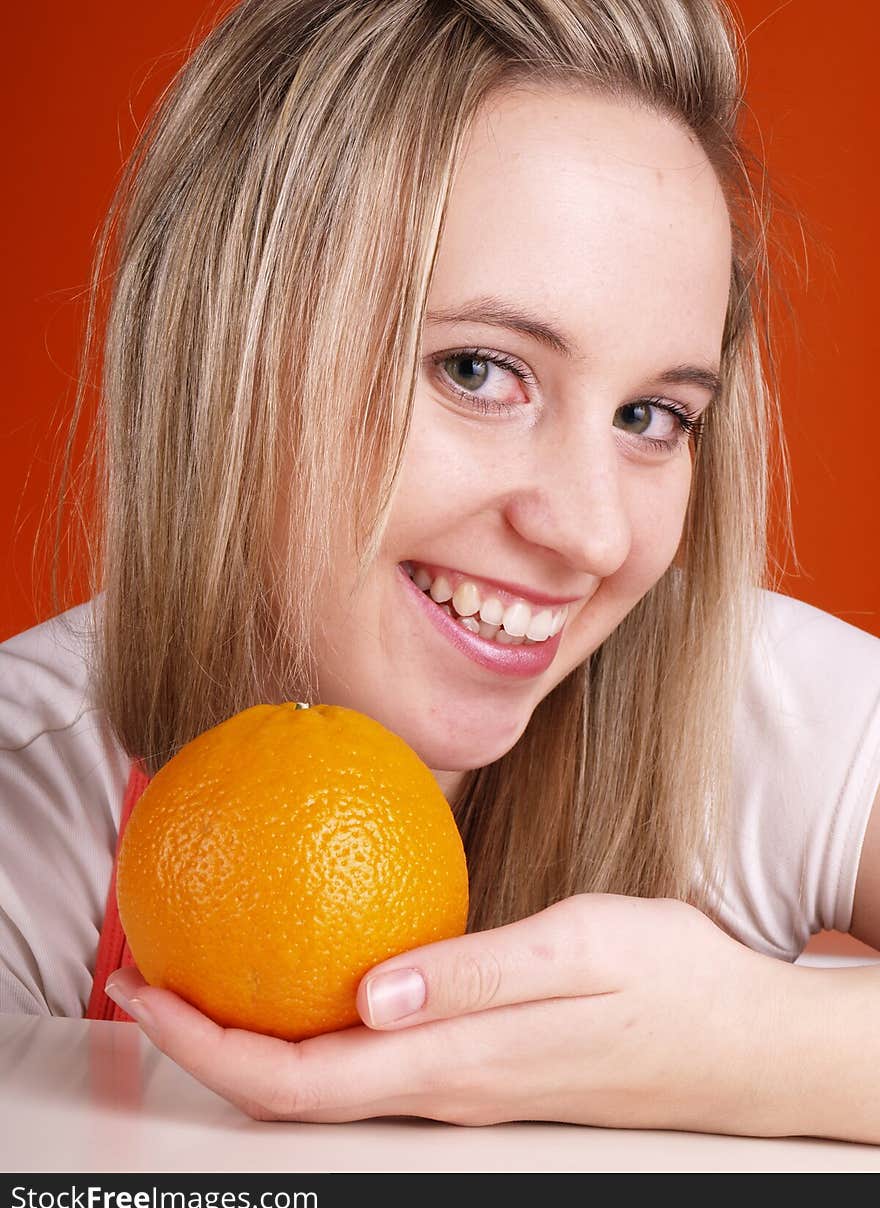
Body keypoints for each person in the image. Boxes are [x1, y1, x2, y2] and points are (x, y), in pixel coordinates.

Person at [2, 0, 880, 1140]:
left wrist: (739, 1045)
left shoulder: (765, 707)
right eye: (477, 369)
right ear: (233, 352)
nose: (592, 534)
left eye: (652, 416)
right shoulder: (35, 789)